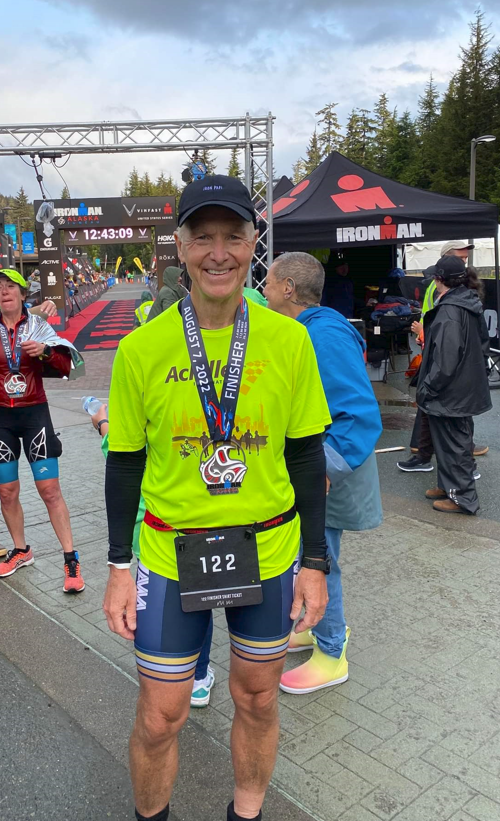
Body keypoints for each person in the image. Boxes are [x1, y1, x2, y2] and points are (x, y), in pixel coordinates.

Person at [103, 174, 331, 821]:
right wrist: (118, 567)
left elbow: (306, 454)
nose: (219, 253)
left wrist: (316, 562)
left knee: (258, 699)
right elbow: (124, 463)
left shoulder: (289, 341)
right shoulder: (140, 349)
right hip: (170, 555)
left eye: (233, 236)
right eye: (203, 237)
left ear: (254, 243)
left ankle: (245, 815)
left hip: (270, 550)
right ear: (180, 246)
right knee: (160, 715)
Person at [264, 252, 382, 693]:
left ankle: (332, 653)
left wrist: (322, 471)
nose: (263, 290)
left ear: (289, 288)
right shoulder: (312, 330)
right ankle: (315, 628)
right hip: (318, 470)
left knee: (319, 561)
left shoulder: (323, 335)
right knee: (311, 557)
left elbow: (359, 414)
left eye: (269, 282)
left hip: (327, 474)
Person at [90, 402, 215, 707]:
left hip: (148, 531)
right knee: (199, 599)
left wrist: (102, 423)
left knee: (168, 598)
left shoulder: (137, 417)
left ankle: (172, 674)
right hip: (189, 524)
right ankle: (198, 677)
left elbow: (117, 455)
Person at [0, 269, 85, 591]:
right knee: (6, 491)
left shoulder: (37, 326)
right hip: (2, 420)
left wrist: (46, 352)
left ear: (23, 294)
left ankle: (70, 559)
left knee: (49, 491)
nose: (4, 291)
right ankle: (21, 550)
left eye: (11, 286)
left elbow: (68, 367)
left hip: (35, 414)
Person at [398, 240, 488, 473]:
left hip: (447, 367)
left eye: (465, 259)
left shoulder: (459, 298)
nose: (464, 262)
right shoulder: (444, 291)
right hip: (438, 357)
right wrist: (425, 336)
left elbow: (453, 340)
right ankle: (426, 457)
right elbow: (433, 319)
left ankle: (461, 469)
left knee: (453, 419)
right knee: (434, 413)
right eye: (460, 258)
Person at [416, 256, 491, 514]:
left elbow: (446, 360)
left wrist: (428, 387)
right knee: (452, 441)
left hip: (451, 391)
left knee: (454, 444)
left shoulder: (450, 309)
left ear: (439, 280)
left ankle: (462, 497)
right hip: (463, 387)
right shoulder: (467, 301)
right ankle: (449, 487)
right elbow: (482, 344)